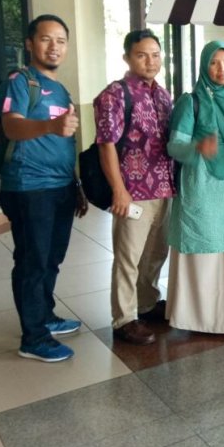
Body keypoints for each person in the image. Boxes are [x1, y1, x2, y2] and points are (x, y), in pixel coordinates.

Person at [0, 14, 88, 362]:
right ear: (29, 44)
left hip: (60, 186)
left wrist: (75, 185)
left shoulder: (61, 89)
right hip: (29, 186)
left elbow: (65, 142)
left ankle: (45, 316)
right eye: (46, 39)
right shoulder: (20, 82)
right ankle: (33, 337)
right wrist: (50, 126)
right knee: (32, 261)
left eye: (61, 41)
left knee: (52, 257)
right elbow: (11, 127)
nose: (54, 47)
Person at [166, 40, 224, 334]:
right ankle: (199, 319)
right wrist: (197, 147)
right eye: (214, 63)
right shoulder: (190, 102)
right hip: (203, 190)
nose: (222, 69)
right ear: (205, 66)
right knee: (205, 251)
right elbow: (174, 147)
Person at [94, 29, 174, 345]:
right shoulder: (115, 95)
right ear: (127, 57)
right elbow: (106, 144)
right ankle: (124, 318)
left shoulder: (163, 95)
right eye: (142, 55)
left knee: (155, 253)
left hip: (164, 189)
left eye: (155, 55)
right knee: (128, 257)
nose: (150, 61)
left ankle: (147, 302)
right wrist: (119, 189)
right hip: (133, 192)